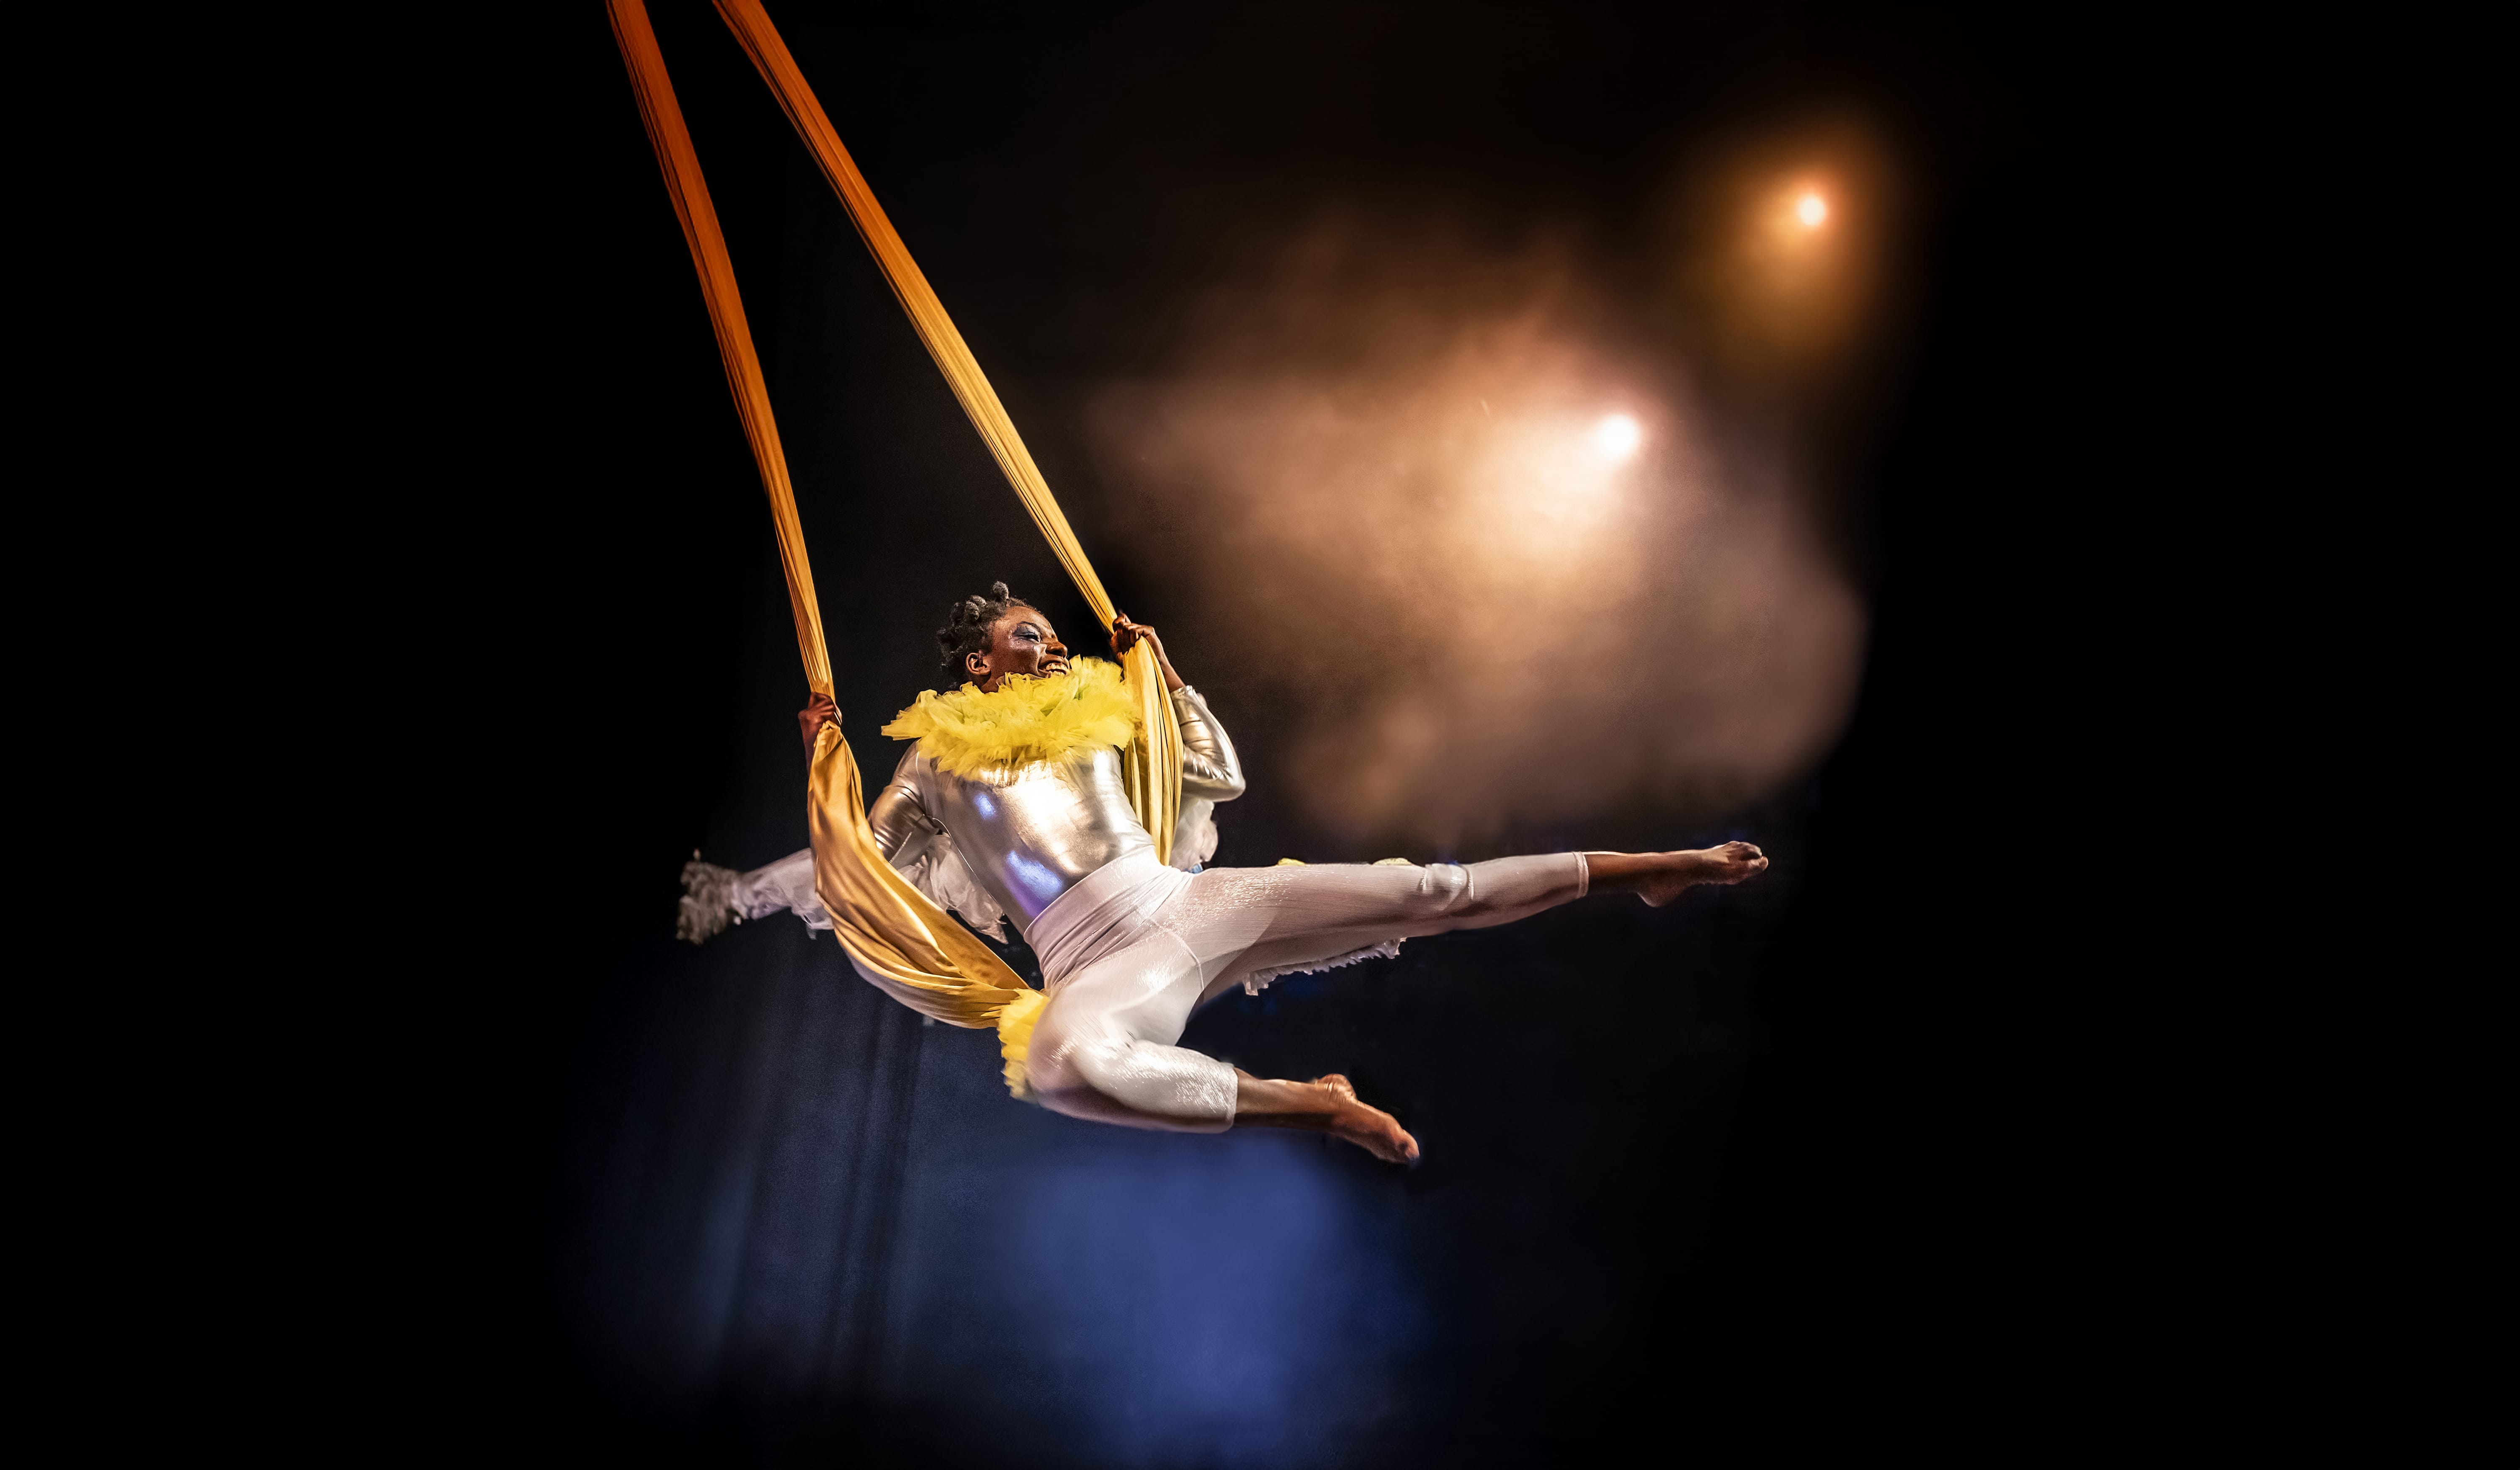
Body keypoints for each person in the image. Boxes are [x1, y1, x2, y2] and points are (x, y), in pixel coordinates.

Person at [686, 582, 1767, 1163]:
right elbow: (861, 872)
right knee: (1060, 1067)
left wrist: (1165, 676)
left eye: (1055, 635)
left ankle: (1655, 869)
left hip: (1185, 900)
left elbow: (1212, 771)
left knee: (1427, 891)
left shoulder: (1097, 713)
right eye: (1031, 636)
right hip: (1093, 961)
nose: (1053, 646)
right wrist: (823, 768)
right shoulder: (928, 764)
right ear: (980, 662)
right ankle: (1313, 1105)